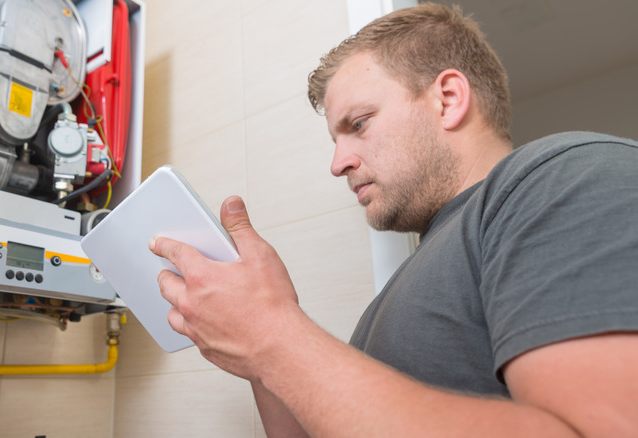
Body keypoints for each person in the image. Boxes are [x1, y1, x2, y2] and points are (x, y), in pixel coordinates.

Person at [149, 3, 638, 436]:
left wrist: (271, 334)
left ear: (448, 98)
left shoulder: (566, 175)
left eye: (358, 124)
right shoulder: (403, 289)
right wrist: (260, 341)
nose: (337, 163)